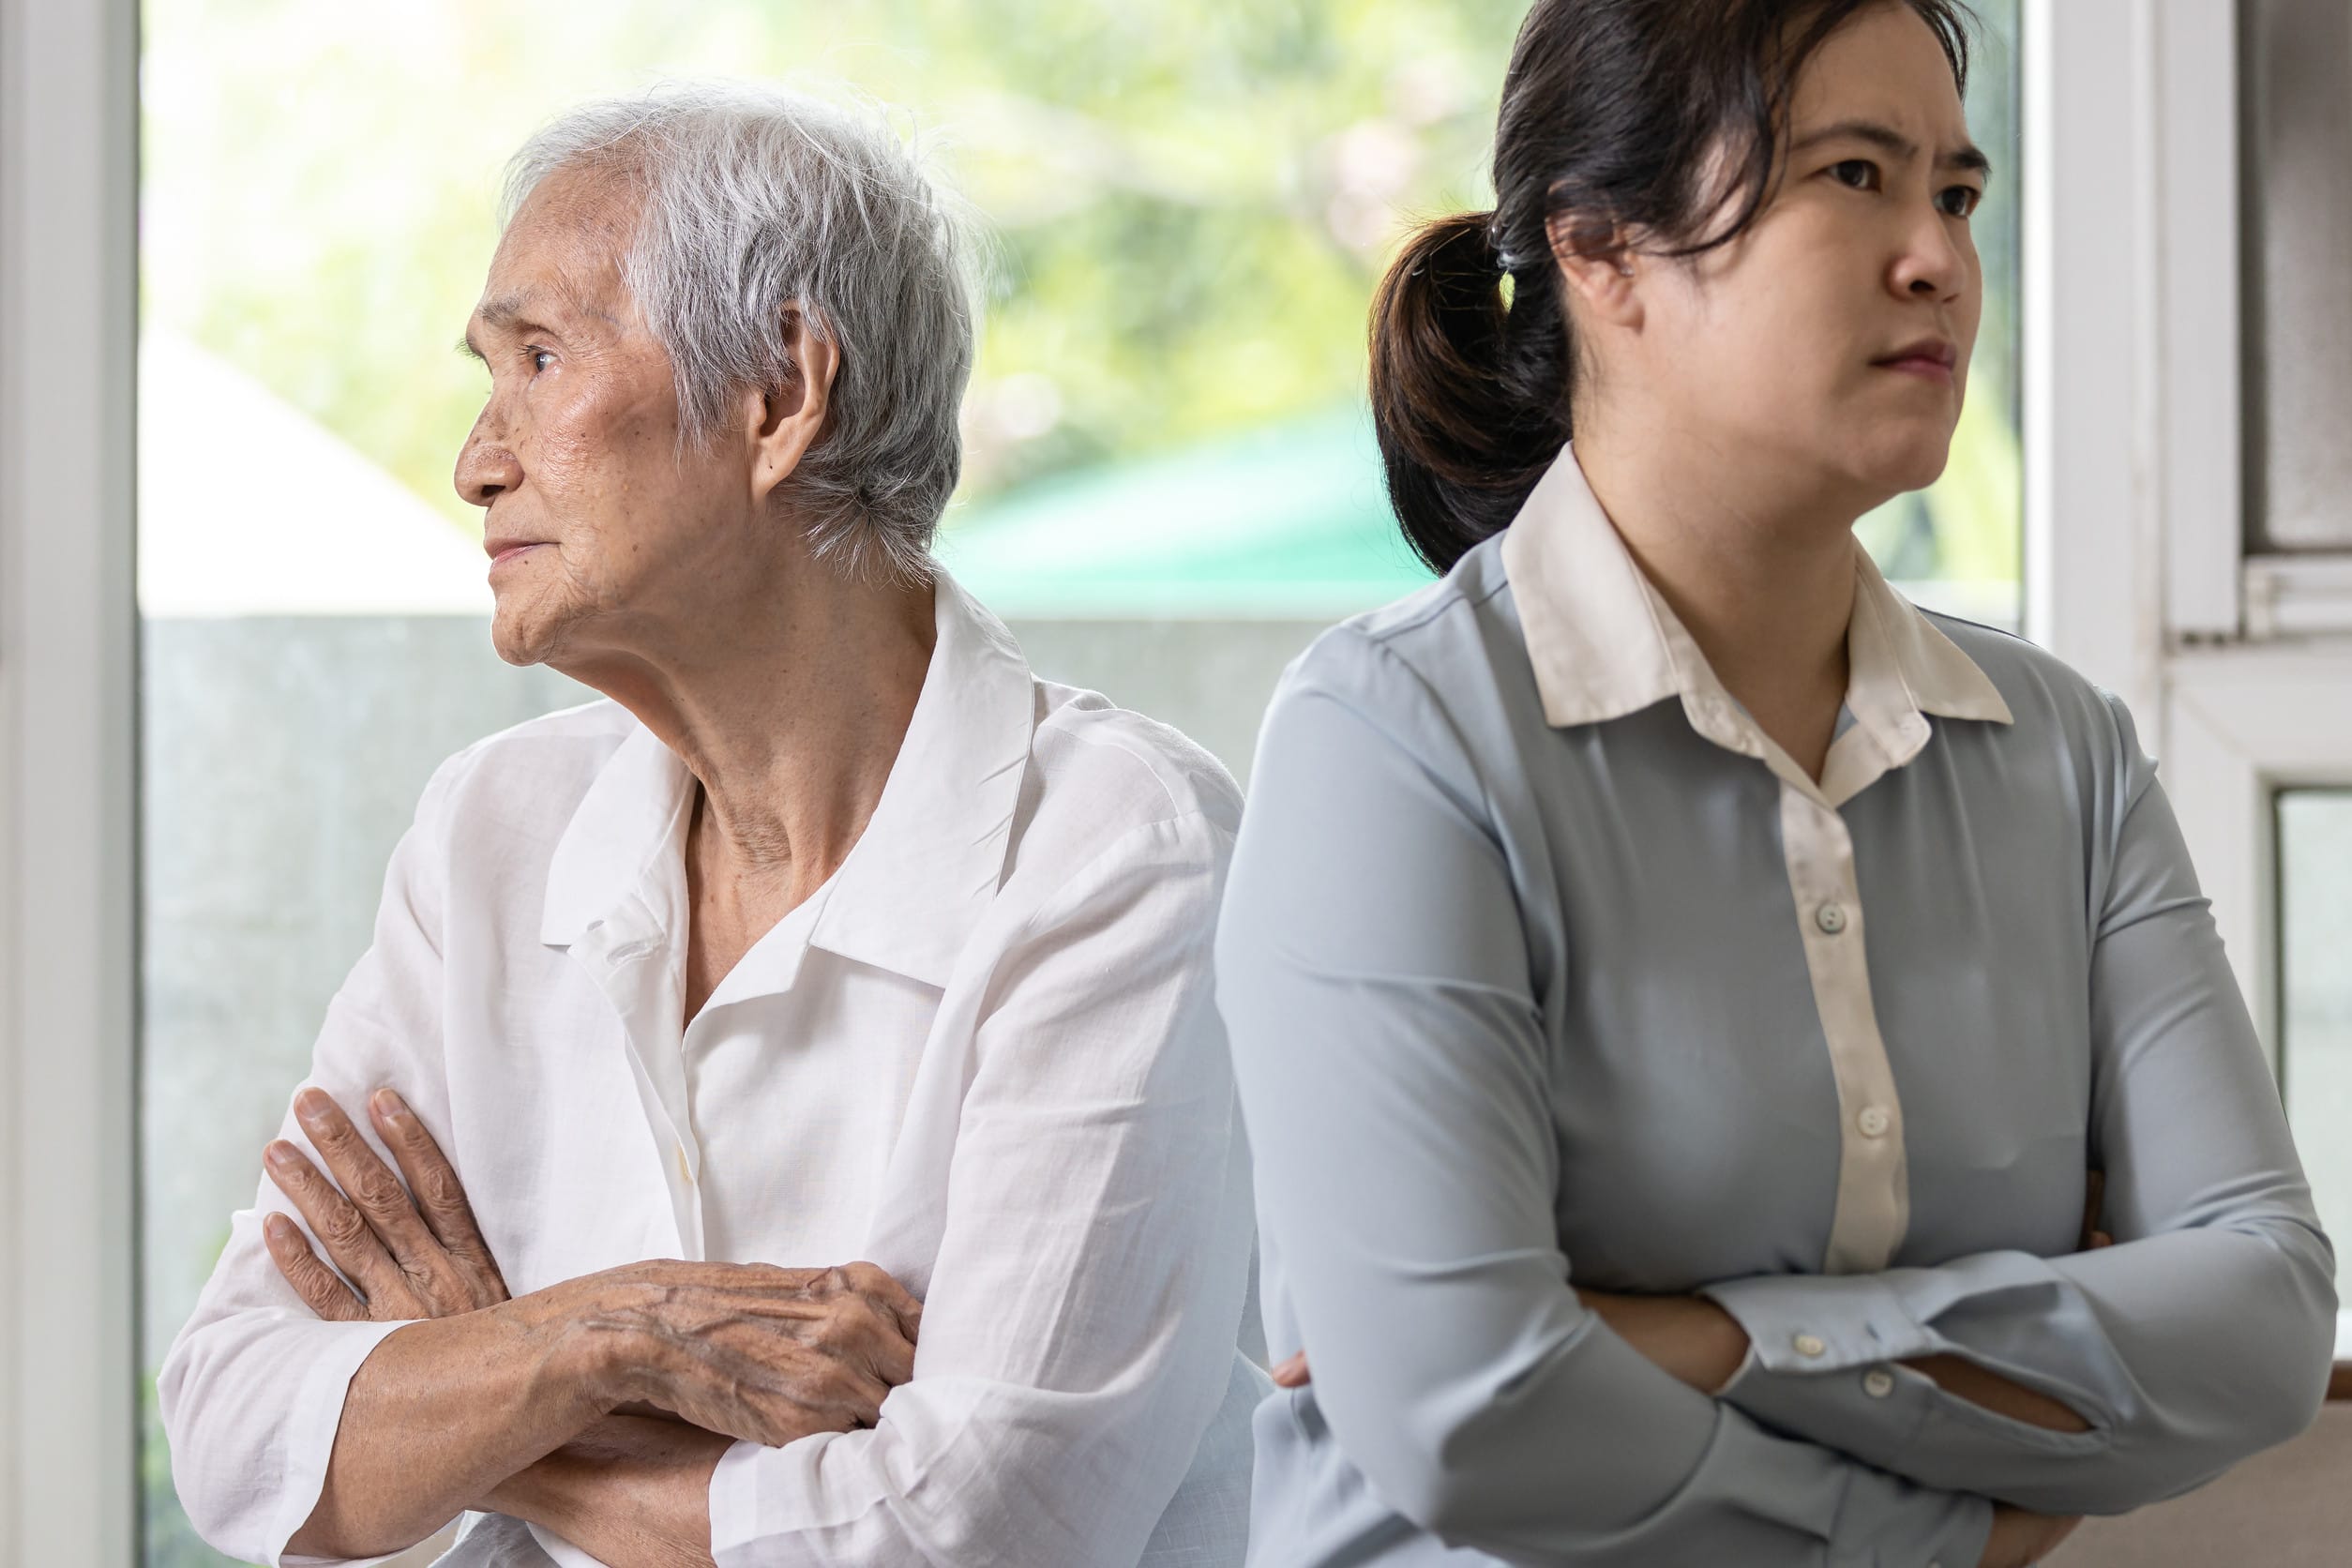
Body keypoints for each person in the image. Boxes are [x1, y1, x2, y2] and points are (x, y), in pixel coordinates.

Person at [1215, 3, 2337, 1566]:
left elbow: (2266, 1315)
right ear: (1602, 251)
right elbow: (1470, 1414)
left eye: (1955, 191)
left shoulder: (2061, 751)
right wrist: (1949, 1516)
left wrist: (1700, 1339)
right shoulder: (1393, 741)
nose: (1938, 256)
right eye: (1854, 176)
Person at [159, 84, 1264, 1568]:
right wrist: (619, 1331)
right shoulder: (490, 830)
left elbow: (981, 1532)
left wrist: (486, 1406)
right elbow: (236, 1434)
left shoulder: (1120, 852)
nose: (478, 460)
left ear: (780, 397)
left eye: (540, 358)